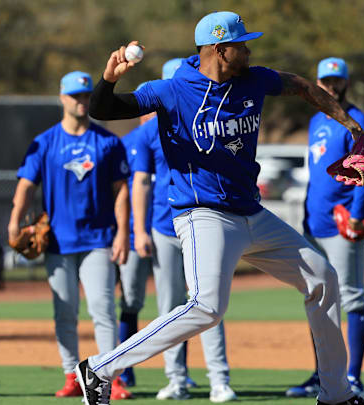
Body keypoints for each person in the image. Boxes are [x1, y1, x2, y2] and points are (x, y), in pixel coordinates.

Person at [75, 11, 364, 405]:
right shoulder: (171, 90)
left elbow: (305, 87)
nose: (250, 50)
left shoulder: (254, 79)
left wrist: (353, 128)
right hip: (202, 213)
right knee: (206, 308)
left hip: (250, 212)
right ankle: (100, 369)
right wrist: (110, 78)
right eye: (242, 44)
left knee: (323, 278)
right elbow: (105, 109)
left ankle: (337, 395)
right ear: (220, 50)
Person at [7, 71, 132, 400]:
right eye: (75, 96)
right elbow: (25, 185)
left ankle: (109, 376)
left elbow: (122, 192)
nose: (81, 101)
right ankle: (71, 374)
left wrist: (122, 234)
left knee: (103, 309)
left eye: (86, 96)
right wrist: (14, 223)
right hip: (58, 242)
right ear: (62, 98)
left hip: (98, 239)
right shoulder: (47, 142)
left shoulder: (107, 143)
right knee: (64, 311)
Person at [130, 59, 237, 403]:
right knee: (169, 307)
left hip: (201, 222)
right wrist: (140, 229)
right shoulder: (147, 132)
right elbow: (140, 183)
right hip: (163, 228)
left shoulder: (203, 120)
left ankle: (218, 379)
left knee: (208, 305)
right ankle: (176, 378)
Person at [287, 58, 364, 399]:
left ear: (346, 83)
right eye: (326, 80)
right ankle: (323, 374)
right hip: (314, 222)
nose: (332, 86)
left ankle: (353, 377)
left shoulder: (356, 120)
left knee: (351, 297)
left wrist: (356, 212)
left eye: (337, 80)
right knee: (318, 298)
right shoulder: (315, 121)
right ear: (318, 83)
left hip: (342, 222)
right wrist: (307, 217)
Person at [116, 81, 155, 389]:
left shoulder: (177, 141)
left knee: (181, 304)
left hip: (171, 231)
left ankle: (177, 373)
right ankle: (125, 370)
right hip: (133, 236)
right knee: (131, 302)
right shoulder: (128, 143)